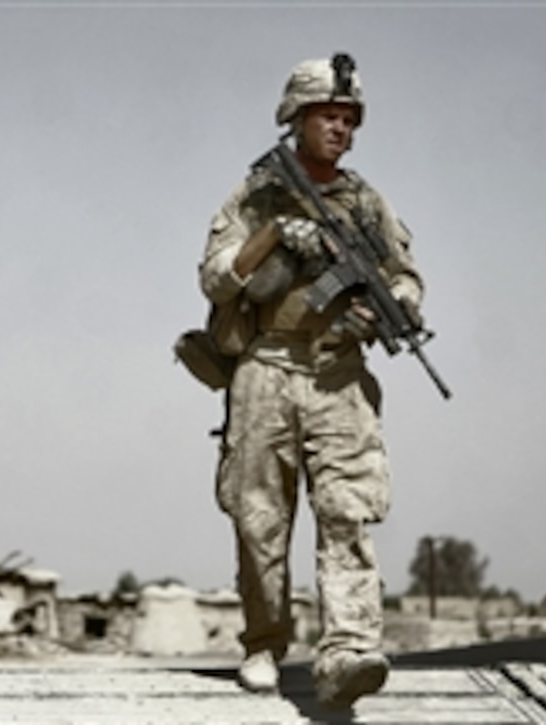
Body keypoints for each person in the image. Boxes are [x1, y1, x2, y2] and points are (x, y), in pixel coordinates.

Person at [199, 53, 424, 710]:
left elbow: (406, 276)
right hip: (266, 366)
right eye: (328, 114)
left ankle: (347, 650)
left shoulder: (364, 202)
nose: (341, 127)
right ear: (296, 117)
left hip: (339, 372)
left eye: (349, 117)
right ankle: (264, 641)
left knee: (348, 510)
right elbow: (214, 278)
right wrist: (271, 234)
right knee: (260, 519)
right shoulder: (255, 193)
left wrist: (392, 307)